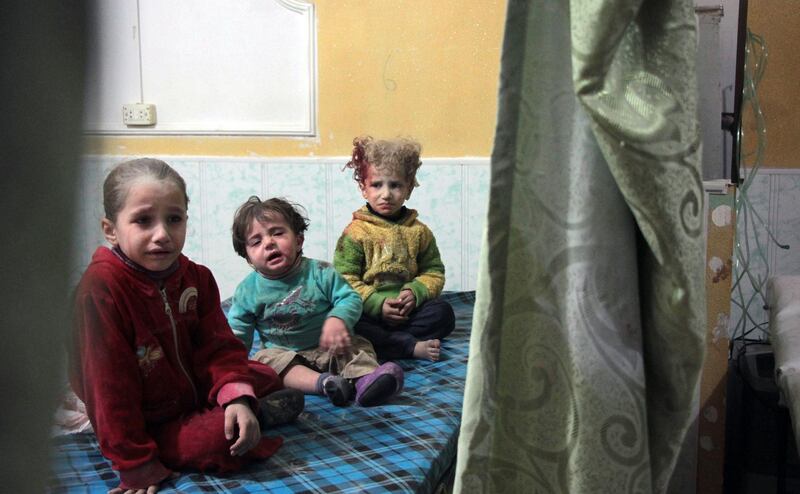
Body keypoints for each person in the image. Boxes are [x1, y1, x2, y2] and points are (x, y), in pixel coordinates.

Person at [70, 158, 304, 494]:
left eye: (174, 219)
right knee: (216, 441)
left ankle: (245, 411)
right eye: (143, 221)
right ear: (111, 229)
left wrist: (235, 397)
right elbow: (109, 390)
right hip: (150, 418)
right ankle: (253, 418)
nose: (162, 234)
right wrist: (136, 464)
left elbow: (219, 347)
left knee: (260, 376)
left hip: (192, 390)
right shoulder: (101, 291)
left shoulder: (196, 278)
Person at [227, 196, 404, 408]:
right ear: (248, 258)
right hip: (286, 355)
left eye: (278, 233)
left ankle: (366, 381)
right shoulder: (247, 291)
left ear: (299, 240)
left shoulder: (320, 272)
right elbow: (237, 336)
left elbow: (350, 298)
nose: (269, 243)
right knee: (264, 361)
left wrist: (338, 319)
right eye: (256, 241)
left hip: (330, 347)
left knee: (358, 346)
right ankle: (325, 383)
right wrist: (232, 371)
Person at [334, 135, 455, 361]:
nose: (386, 194)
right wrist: (377, 304)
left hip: (408, 313)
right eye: (377, 185)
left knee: (443, 313)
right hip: (370, 312)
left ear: (408, 189)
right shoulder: (355, 233)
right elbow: (344, 279)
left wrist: (414, 292)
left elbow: (434, 271)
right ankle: (408, 346)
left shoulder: (419, 232)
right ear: (363, 189)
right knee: (345, 321)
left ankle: (391, 344)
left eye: (396, 185)